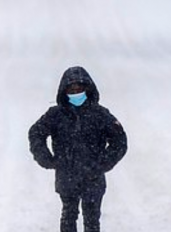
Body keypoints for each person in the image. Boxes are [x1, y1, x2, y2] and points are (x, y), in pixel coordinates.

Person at [28, 66, 127, 232]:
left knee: (92, 221)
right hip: (67, 176)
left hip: (93, 177)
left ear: (87, 88)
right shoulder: (55, 115)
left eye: (79, 87)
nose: (75, 91)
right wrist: (46, 158)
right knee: (68, 216)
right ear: (64, 91)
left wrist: (102, 164)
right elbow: (36, 133)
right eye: (71, 88)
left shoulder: (100, 115)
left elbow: (120, 141)